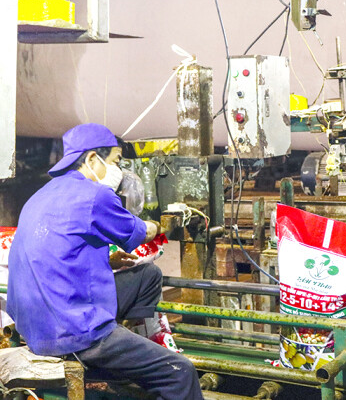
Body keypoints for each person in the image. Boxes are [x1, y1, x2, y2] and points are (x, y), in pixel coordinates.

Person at [7, 123, 203, 400]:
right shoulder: (94, 194)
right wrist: (161, 225)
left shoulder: (39, 196)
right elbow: (138, 232)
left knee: (147, 275)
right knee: (180, 371)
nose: (117, 170)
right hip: (74, 332)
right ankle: (108, 354)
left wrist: (106, 262)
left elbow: (55, 252)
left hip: (35, 328)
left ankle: (129, 346)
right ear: (91, 159)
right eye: (115, 161)